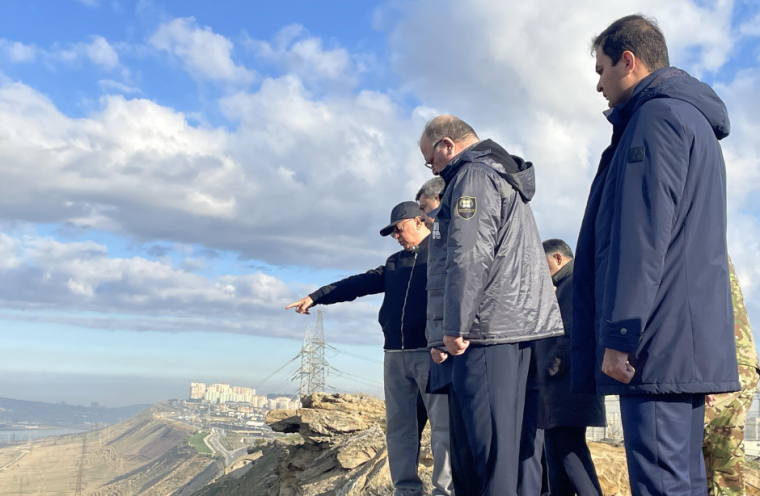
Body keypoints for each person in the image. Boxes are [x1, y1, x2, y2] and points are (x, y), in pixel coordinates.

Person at [572, 15, 739, 496]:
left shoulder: (655, 118)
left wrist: (621, 333)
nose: (599, 84)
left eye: (601, 69)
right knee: (683, 481)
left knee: (661, 483)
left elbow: (639, 236)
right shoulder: (692, 120)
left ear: (629, 61)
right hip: (679, 340)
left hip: (652, 346)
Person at [420, 115, 563, 496]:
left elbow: (468, 253)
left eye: (429, 160)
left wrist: (455, 326)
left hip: (486, 332)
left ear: (446, 145)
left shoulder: (474, 177)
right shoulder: (497, 177)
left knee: (485, 460)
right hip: (510, 330)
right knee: (510, 454)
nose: (432, 169)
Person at [285, 201, 453, 496]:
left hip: (432, 354)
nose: (396, 237)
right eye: (392, 234)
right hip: (395, 356)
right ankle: (406, 491)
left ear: (418, 221)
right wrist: (316, 296)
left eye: (398, 230)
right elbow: (357, 284)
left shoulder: (443, 255)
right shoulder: (394, 263)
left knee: (442, 430)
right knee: (400, 430)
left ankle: (445, 491)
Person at [536, 239, 604, 496]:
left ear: (557, 258)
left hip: (567, 388)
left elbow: (575, 333)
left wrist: (550, 367)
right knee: (557, 459)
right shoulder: (565, 285)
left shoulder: (574, 283)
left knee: (571, 457)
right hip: (559, 391)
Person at [703, 258, 760, 496]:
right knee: (723, 463)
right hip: (738, 362)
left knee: (713, 464)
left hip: (721, 366)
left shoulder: (698, 244)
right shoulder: (713, 246)